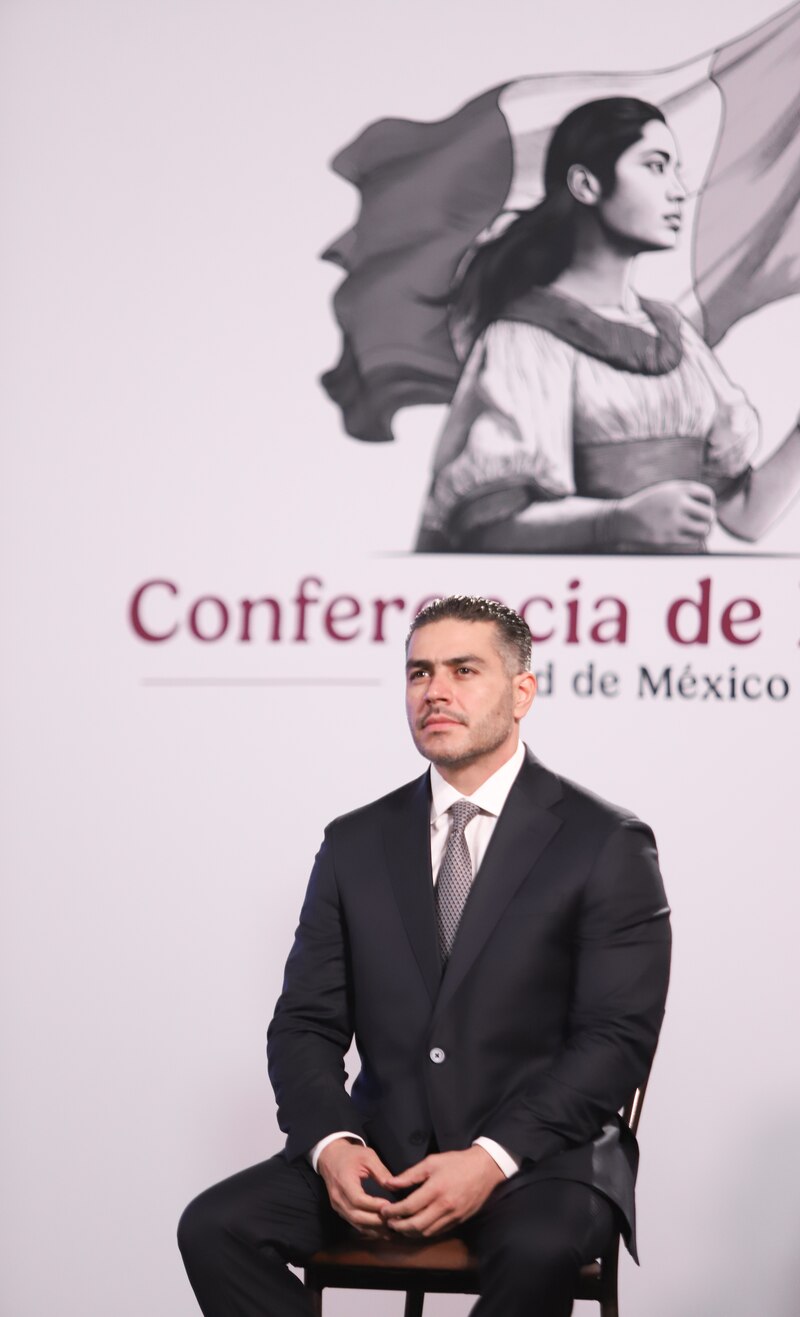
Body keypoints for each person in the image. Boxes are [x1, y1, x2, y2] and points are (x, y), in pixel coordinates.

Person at [178, 595, 672, 1317]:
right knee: (216, 1226)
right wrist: (331, 1144)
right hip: (385, 1152)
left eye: (463, 669)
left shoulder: (606, 842)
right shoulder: (354, 842)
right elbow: (305, 1025)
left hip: (542, 1159)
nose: (434, 690)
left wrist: (491, 1157)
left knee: (537, 1252)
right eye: (418, 673)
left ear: (522, 691)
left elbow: (616, 1039)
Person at [415, 97, 800, 553]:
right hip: (582, 612)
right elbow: (487, 528)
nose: (678, 191)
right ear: (586, 184)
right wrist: (615, 522)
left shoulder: (673, 334)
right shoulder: (526, 338)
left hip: (685, 612)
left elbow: (744, 516)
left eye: (675, 170)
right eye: (655, 167)